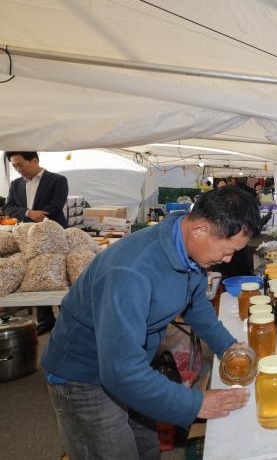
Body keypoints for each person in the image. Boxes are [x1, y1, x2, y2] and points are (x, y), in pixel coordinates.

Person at [41, 186, 258, 459]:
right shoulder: (131, 271)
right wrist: (196, 403)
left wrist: (229, 348)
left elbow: (196, 305)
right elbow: (121, 371)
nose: (228, 260)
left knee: (146, 447)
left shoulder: (188, 252)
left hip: (131, 363)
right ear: (200, 229)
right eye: (227, 251)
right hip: (84, 376)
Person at [5, 151, 69, 335]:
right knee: (38, 276)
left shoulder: (57, 180)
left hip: (54, 234)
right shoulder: (16, 184)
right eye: (14, 166)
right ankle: (45, 320)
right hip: (28, 238)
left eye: (20, 164)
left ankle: (67, 319)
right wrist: (28, 213)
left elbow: (56, 205)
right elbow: (9, 207)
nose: (18, 169)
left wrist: (37, 215)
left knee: (59, 274)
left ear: (34, 160)